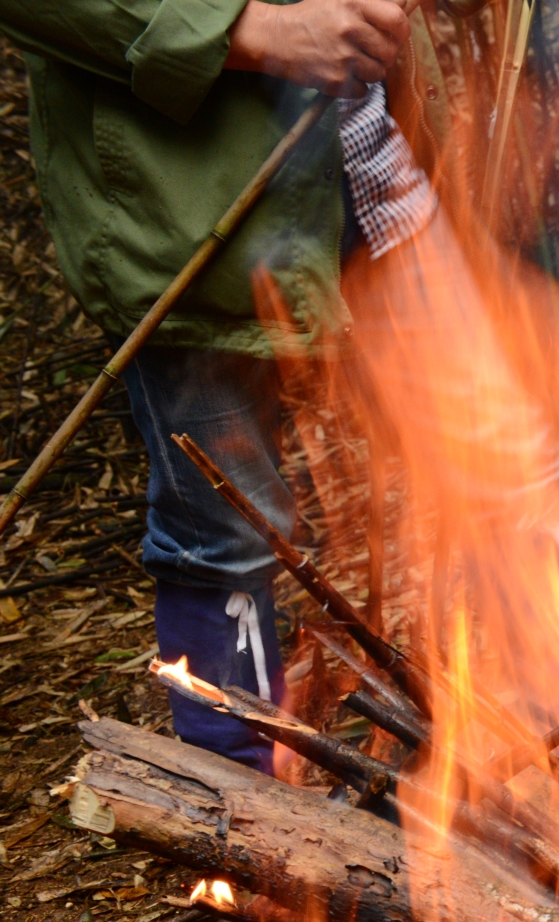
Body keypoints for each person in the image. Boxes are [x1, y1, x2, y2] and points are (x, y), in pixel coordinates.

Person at [0, 0, 444, 768]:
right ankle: (241, 799)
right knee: (224, 526)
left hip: (381, 180)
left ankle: (497, 755)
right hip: (188, 213)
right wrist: (248, 30)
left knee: (476, 473)